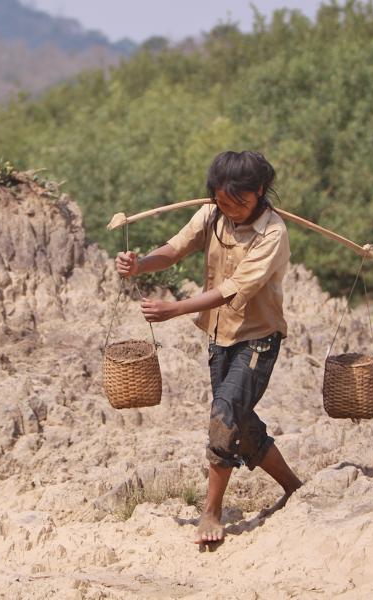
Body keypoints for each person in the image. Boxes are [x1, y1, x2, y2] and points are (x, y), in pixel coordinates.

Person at [115, 150, 302, 544]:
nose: (232, 210)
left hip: (259, 339)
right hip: (219, 339)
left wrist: (175, 309)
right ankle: (295, 488)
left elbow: (232, 289)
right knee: (240, 423)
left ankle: (211, 512)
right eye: (224, 201)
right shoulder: (210, 215)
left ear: (261, 191)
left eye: (241, 202)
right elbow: (174, 249)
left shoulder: (272, 233)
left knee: (223, 416)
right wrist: (140, 265)